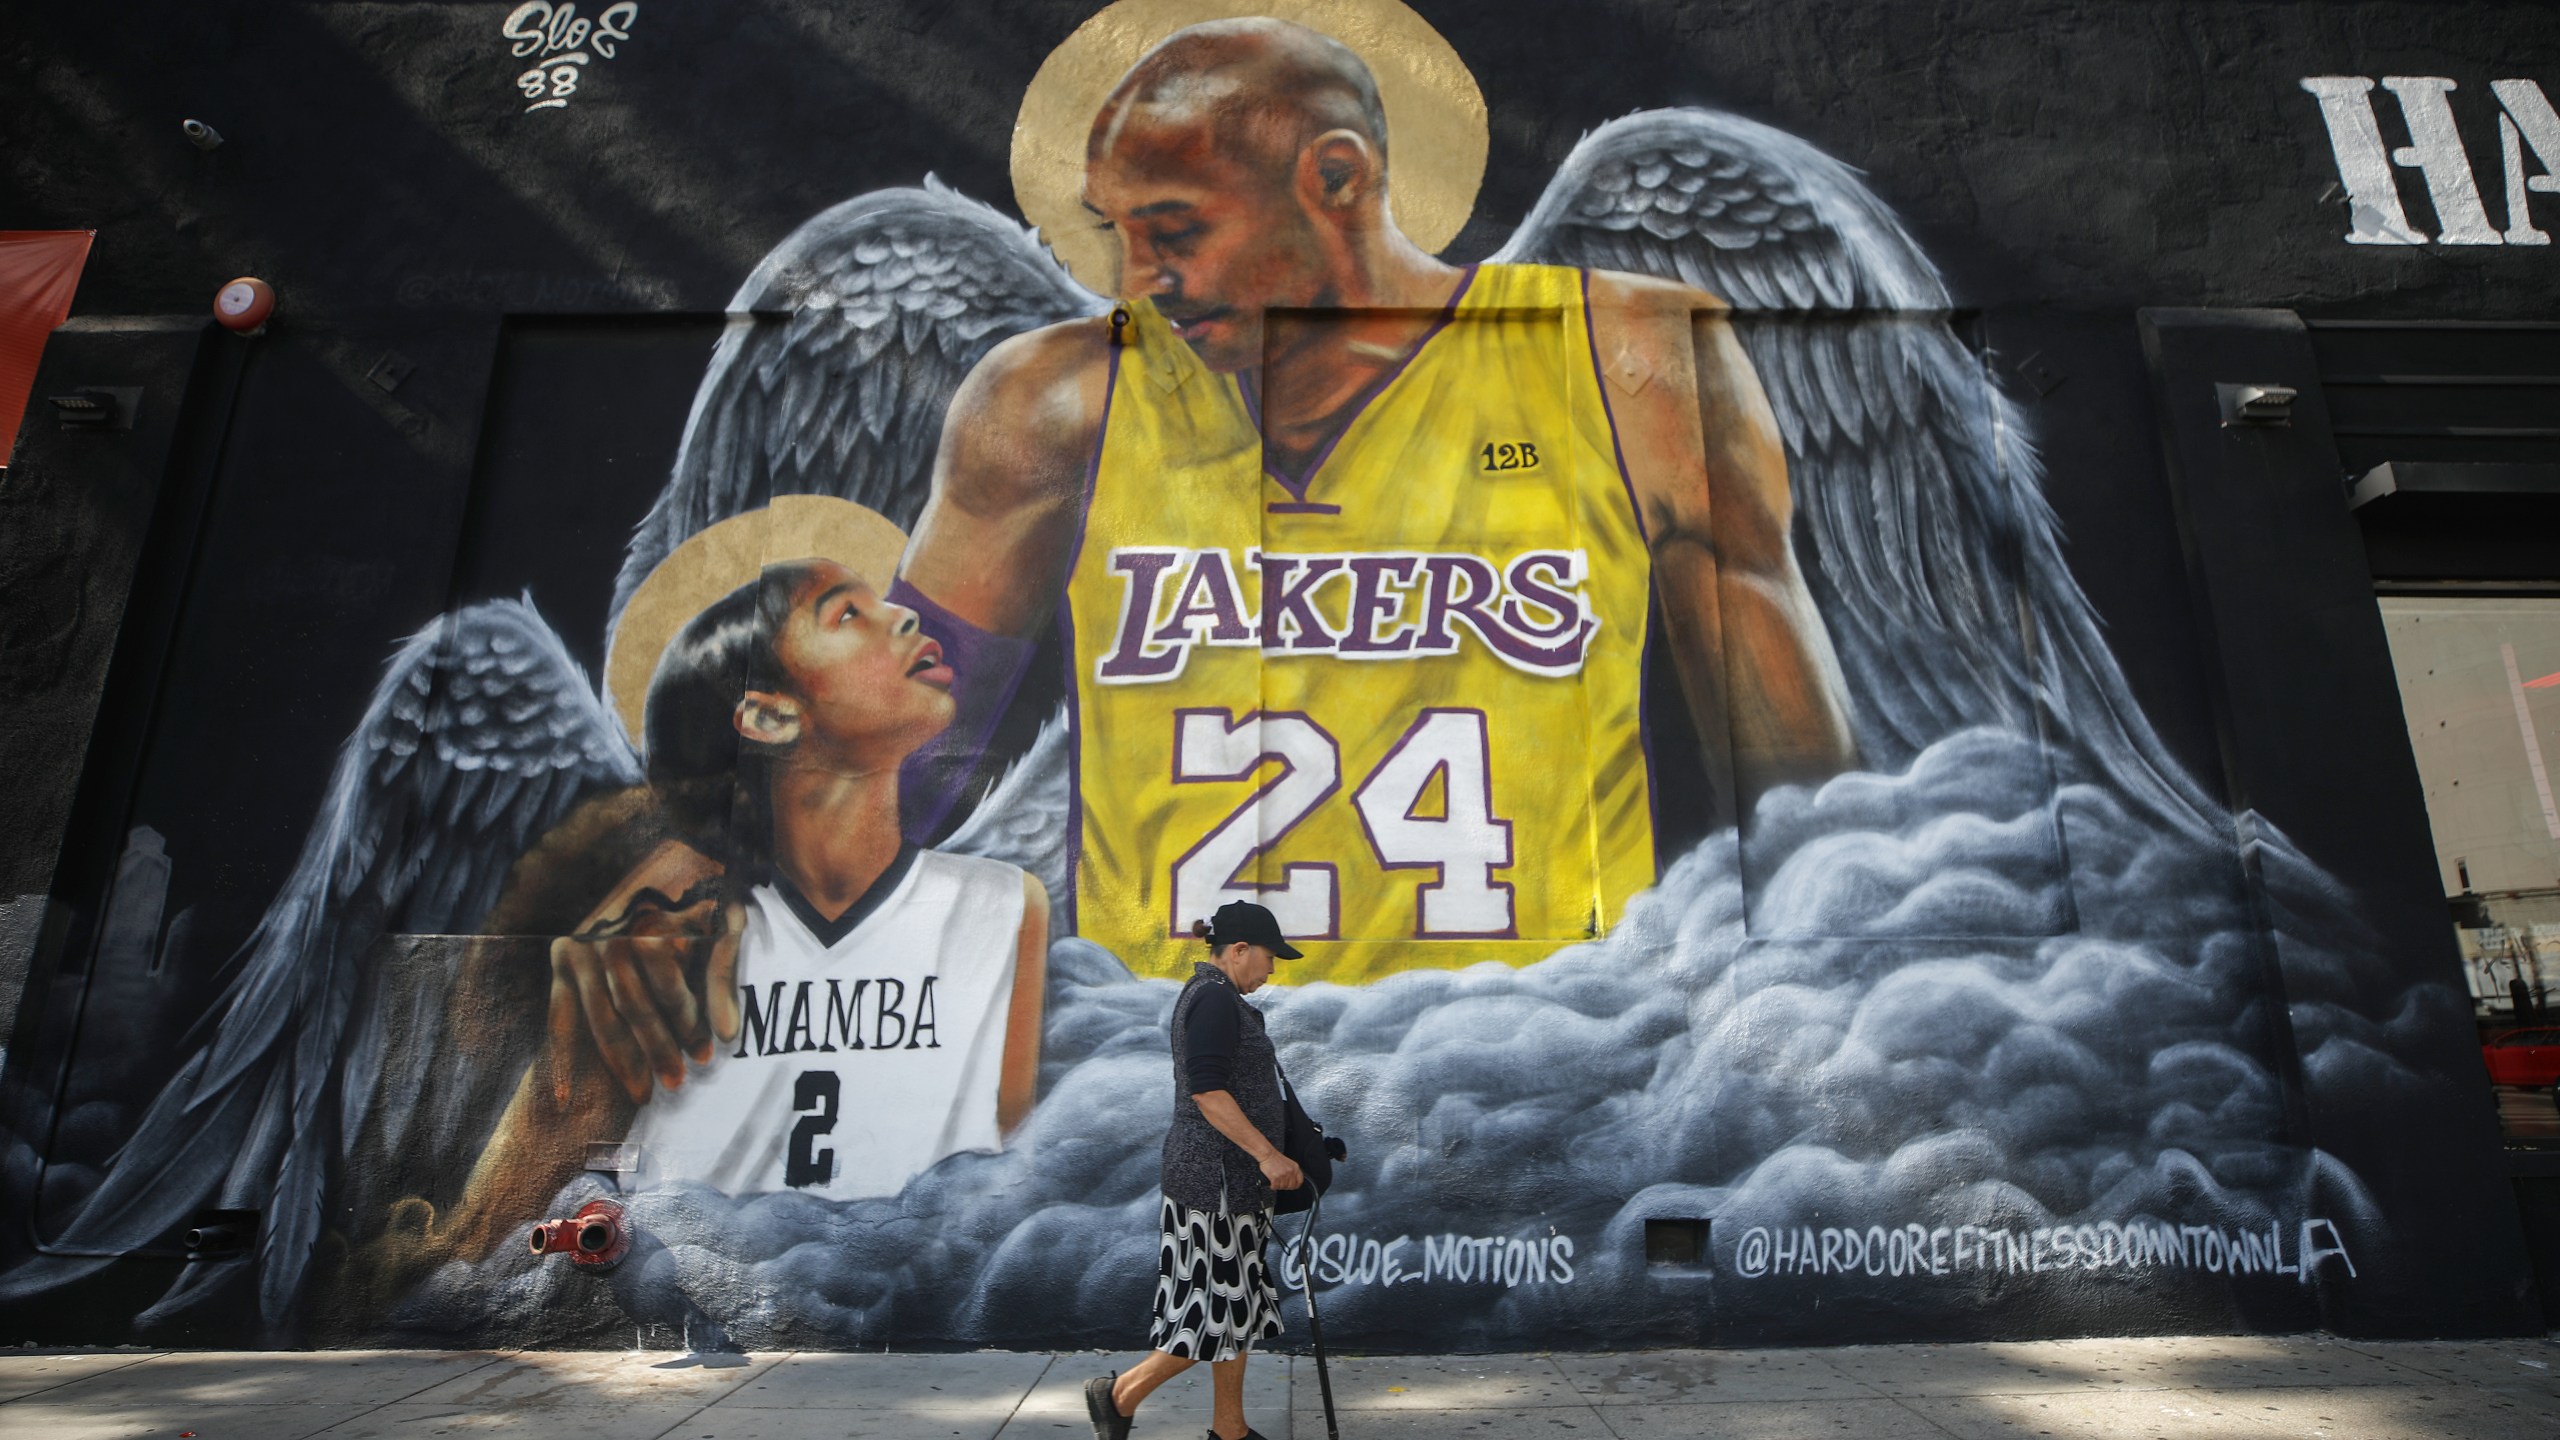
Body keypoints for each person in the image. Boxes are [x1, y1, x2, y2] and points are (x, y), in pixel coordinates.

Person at [892, 16, 1857, 986]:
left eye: (1175, 230)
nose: (1139, 279)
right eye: (1119, 232)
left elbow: (1807, 822)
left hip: (1545, 1067)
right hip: (1170, 1073)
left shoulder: (1625, 362)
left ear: (1338, 179)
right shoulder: (1055, 403)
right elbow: (877, 762)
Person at [413, 558, 1049, 1262]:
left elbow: (1008, 1189)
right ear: (769, 714)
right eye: (845, 613)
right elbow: (494, 1236)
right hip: (701, 1308)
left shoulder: (1004, 905)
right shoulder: (666, 937)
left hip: (921, 1290)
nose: (903, 614)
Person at [1087, 899, 1304, 1440]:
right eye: (1269, 956)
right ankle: (1118, 1396)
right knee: (1209, 1318)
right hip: (1215, 1186)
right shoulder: (1213, 1001)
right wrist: (1268, 1155)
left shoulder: (1222, 998)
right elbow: (1208, 1093)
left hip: (1231, 1185)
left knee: (1236, 1309)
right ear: (1238, 950)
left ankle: (1229, 1431)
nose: (1272, 968)